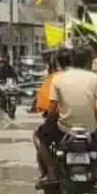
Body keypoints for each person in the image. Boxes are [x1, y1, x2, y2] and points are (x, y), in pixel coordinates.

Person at [49, 44, 97, 178]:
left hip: (64, 128)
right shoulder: (95, 78)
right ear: (89, 61)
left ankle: (50, 172)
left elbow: (52, 109)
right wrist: (95, 116)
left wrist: (53, 117)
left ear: (71, 60)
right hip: (90, 128)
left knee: (41, 137)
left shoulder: (58, 78)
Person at [34, 46, 74, 184]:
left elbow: (47, 106)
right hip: (84, 124)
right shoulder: (88, 77)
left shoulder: (53, 79)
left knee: (38, 136)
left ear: (57, 62)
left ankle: (50, 171)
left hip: (60, 123)